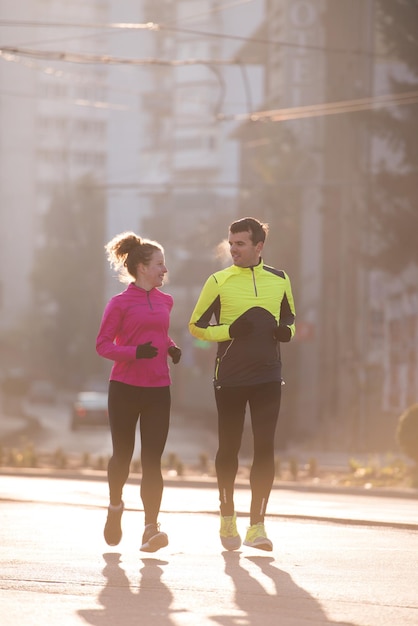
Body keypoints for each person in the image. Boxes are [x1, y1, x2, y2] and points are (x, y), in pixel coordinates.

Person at [189, 217, 295, 552]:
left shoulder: (280, 279)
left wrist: (285, 333)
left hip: (267, 376)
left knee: (265, 449)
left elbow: (290, 318)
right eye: (231, 243)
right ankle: (227, 518)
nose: (233, 249)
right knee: (230, 448)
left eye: (240, 243)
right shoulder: (218, 281)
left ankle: (257, 528)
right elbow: (196, 326)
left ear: (258, 246)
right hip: (231, 378)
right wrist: (228, 332)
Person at [96, 231, 181, 552]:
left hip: (159, 389)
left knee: (152, 461)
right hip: (125, 389)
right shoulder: (119, 303)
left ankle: (150, 528)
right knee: (122, 455)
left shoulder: (165, 300)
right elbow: (102, 345)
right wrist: (134, 352)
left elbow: (159, 334)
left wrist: (170, 348)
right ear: (143, 267)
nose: (164, 270)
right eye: (160, 264)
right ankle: (116, 506)